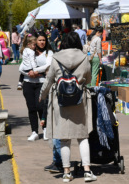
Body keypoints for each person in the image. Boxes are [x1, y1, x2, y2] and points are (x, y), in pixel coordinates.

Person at [39, 32, 97, 182]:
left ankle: (66, 173)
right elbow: (89, 78)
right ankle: (87, 171)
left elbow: (48, 80)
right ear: (78, 42)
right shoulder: (84, 58)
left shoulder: (56, 58)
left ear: (63, 43)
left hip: (61, 101)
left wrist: (42, 95)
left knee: (64, 138)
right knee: (82, 136)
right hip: (79, 100)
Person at [19, 32, 54, 141]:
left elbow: (48, 65)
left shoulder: (49, 52)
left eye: (43, 40)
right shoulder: (29, 51)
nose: (42, 42)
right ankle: (34, 131)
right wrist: (29, 74)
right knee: (31, 108)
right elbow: (21, 68)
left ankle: (45, 129)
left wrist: (35, 71)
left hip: (42, 82)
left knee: (41, 106)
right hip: (28, 82)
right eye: (39, 40)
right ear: (35, 42)